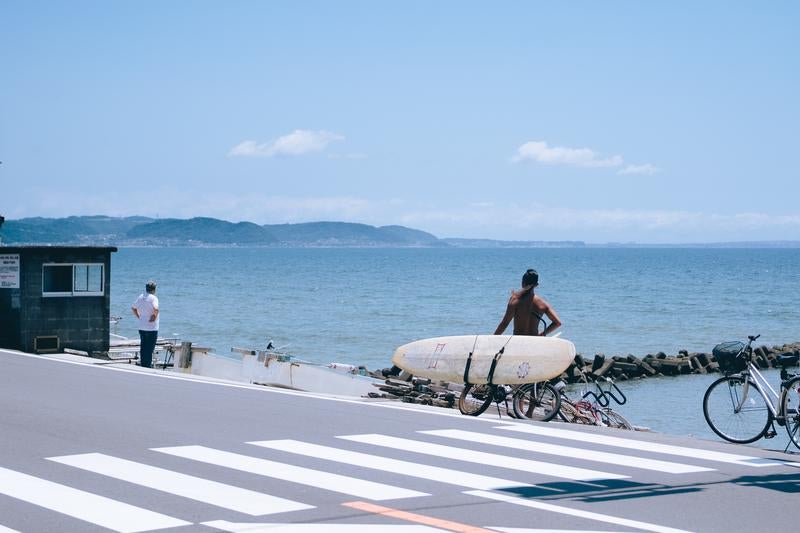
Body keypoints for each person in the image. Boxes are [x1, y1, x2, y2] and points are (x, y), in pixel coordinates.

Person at [494, 269, 561, 336]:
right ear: (536, 285)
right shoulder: (542, 304)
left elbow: (505, 323)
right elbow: (557, 323)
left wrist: (493, 338)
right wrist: (542, 334)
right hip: (533, 341)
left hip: (518, 340)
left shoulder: (515, 300)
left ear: (523, 283)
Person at [131, 280, 159, 368]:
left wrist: (139, 316)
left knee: (143, 347)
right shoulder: (153, 298)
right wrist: (154, 317)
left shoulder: (141, 297)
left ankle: (143, 365)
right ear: (154, 289)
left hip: (142, 326)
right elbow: (156, 308)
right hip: (151, 328)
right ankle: (147, 366)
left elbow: (133, 308)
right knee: (150, 348)